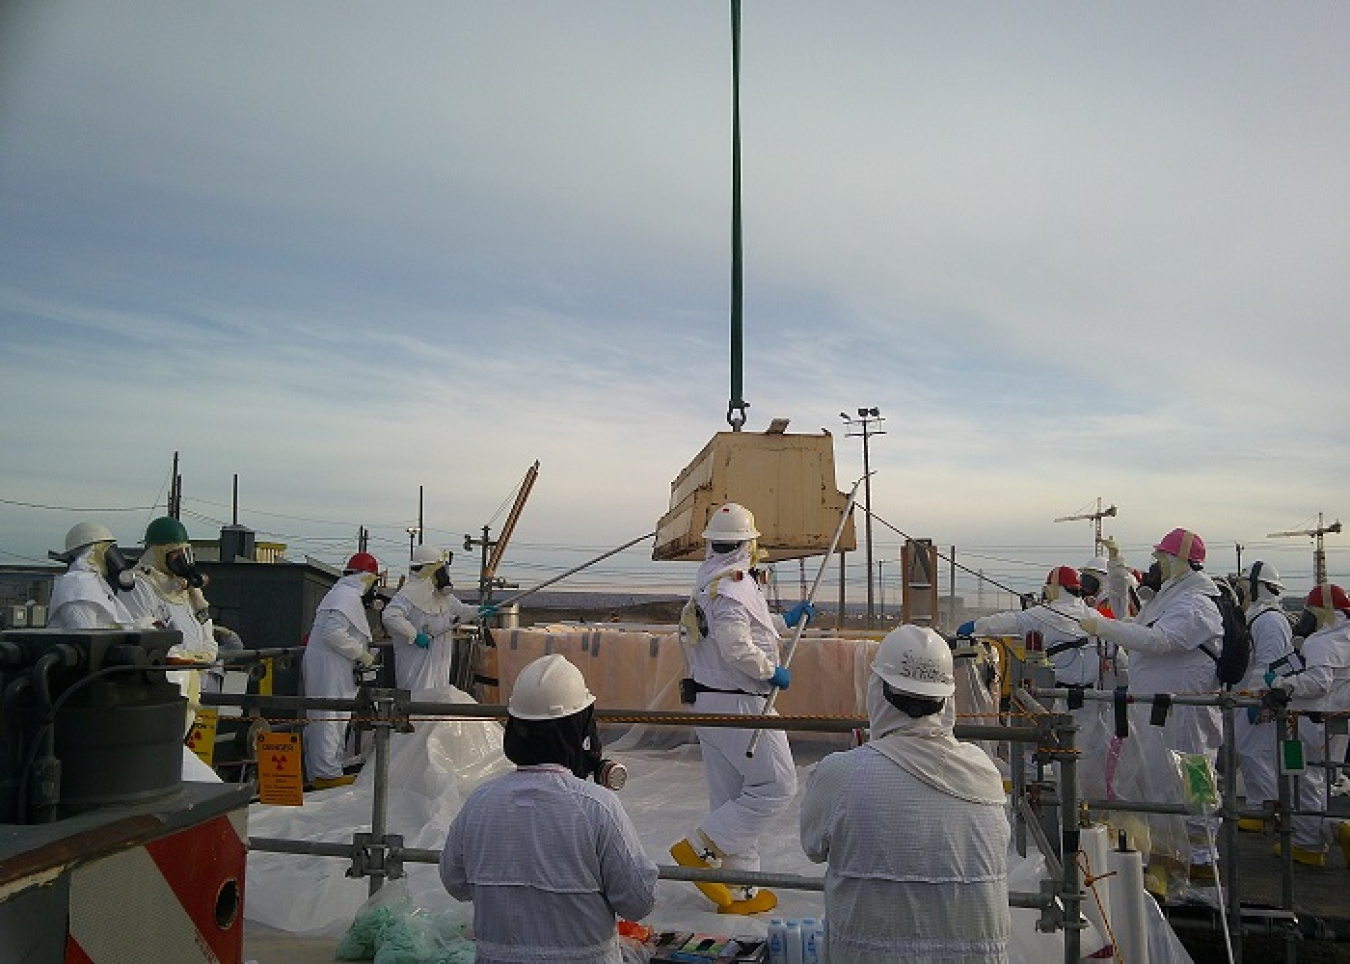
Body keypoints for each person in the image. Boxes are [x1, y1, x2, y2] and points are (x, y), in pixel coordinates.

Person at [799, 624, 1010, 962]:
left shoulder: (841, 774)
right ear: (946, 699)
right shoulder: (983, 773)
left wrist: (861, 758)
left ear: (877, 690)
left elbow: (812, 845)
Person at [440, 653, 658, 963]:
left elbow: (455, 883)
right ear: (580, 728)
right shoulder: (597, 806)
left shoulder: (481, 802)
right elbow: (639, 902)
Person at [670, 502, 813, 915]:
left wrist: (784, 621)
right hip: (739, 700)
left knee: (733, 795)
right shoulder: (732, 585)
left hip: (711, 699)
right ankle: (698, 849)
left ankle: (739, 888)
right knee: (776, 785)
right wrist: (771, 673)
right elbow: (736, 646)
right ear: (746, 545)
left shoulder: (714, 582)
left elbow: (748, 628)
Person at [1080, 528, 1225, 883]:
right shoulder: (1171, 600)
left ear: (1179, 562)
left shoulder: (1197, 604)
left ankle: (1203, 858)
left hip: (1187, 712)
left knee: (1195, 777)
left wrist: (1104, 627)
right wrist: (1117, 569)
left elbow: (1159, 641)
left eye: (1161, 559)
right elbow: (1132, 622)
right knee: (1162, 779)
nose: (1156, 566)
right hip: (1163, 710)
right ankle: (1173, 856)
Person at [1265, 583, 1350, 866]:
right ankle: (1334, 828)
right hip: (1338, 724)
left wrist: (1283, 684)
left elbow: (1317, 682)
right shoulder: (1344, 637)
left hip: (1310, 721)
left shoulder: (1321, 642)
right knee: (1328, 779)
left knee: (1304, 779)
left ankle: (1309, 845)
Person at [120, 516, 221, 721]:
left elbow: (203, 620)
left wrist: (208, 651)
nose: (181, 559)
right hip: (164, 682)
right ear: (158, 553)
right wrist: (182, 658)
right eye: (174, 553)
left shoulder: (188, 589)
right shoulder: (140, 585)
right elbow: (144, 632)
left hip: (195, 678)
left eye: (183, 552)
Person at [302, 551, 382, 789]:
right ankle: (325, 773)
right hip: (330, 666)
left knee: (336, 717)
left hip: (333, 665)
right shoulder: (346, 596)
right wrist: (361, 653)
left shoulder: (340, 594)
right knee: (329, 717)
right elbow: (333, 633)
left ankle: (329, 769)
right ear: (368, 578)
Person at [1233, 561, 1294, 830]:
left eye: (1246, 587)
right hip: (1250, 697)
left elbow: (1270, 663)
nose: (1242, 592)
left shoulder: (1270, 620)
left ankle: (1267, 808)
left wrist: (1257, 698)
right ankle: (1262, 805)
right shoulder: (1259, 617)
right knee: (1251, 751)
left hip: (1258, 700)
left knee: (1258, 752)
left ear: (1260, 588)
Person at [381, 545, 483, 691]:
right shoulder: (408, 594)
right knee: (418, 706)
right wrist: (414, 635)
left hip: (439, 670)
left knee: (437, 704)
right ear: (429, 570)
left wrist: (479, 610)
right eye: (439, 570)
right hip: (416, 671)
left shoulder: (442, 596)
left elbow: (461, 611)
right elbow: (390, 616)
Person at [47, 522, 137, 629]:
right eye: (108, 550)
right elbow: (83, 634)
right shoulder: (78, 584)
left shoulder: (97, 584)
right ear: (92, 552)